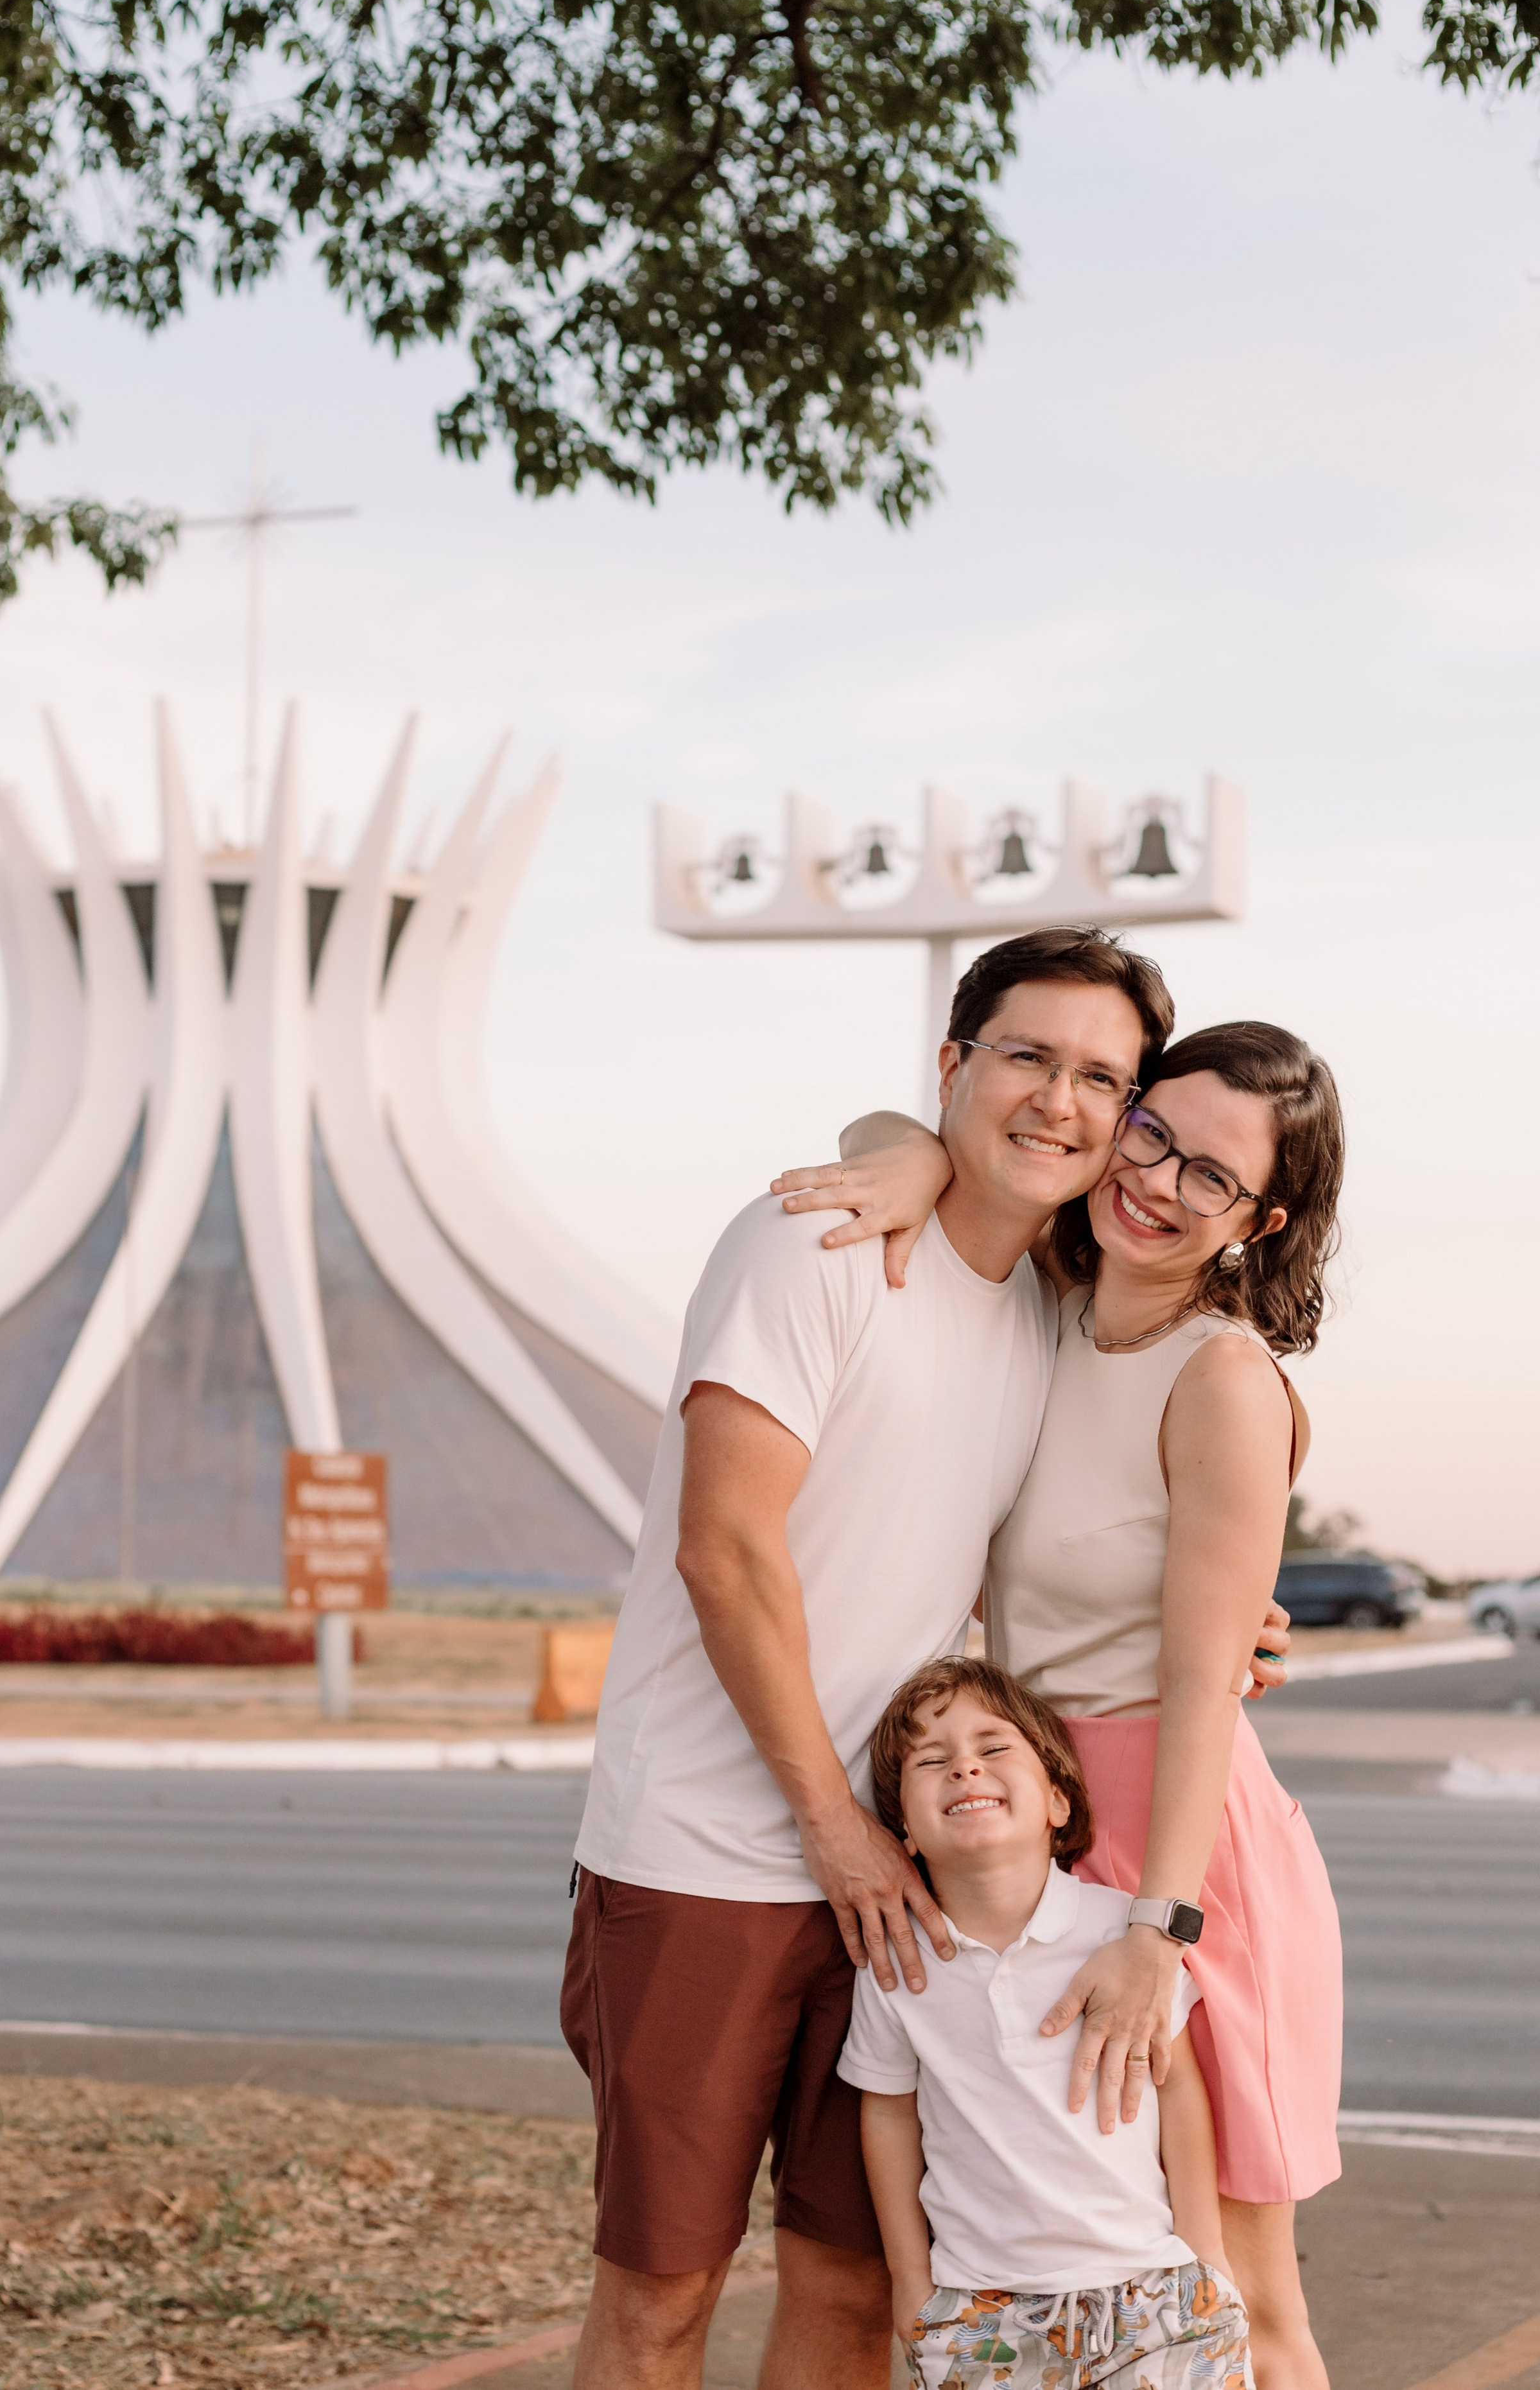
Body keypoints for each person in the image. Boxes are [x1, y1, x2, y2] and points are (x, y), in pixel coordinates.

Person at [562, 927, 1289, 2390]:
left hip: (902, 1889)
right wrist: (832, 1828)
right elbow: (726, 1550)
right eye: (1025, 1056)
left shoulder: (1044, 1312)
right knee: (662, 2293)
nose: (1060, 1102)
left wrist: (1214, 1624)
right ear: (951, 1066)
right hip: (712, 1855)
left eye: (1103, 1080)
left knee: (855, 2288)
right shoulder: (813, 1240)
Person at [775, 1016, 1344, 2390]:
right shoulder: (1049, 1295)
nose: (1153, 1179)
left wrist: (1160, 1927)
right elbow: (874, 1133)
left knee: (1232, 2293)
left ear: (1259, 1221)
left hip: (1177, 1845)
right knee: (1046, 2247)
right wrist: (908, 1159)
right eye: (1149, 1131)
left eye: (1206, 1176)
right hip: (1027, 1821)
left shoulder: (1218, 1379)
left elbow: (1206, 1677)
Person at [845, 1655, 1250, 2390]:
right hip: (981, 2309)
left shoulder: (1123, 1938)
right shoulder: (897, 1962)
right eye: (932, 1761)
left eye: (993, 1749)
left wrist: (1203, 2253)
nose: (965, 1769)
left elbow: (1178, 2088)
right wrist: (912, 2281)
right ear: (902, 1828)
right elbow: (888, 2117)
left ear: (1058, 1802)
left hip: (1152, 2289)